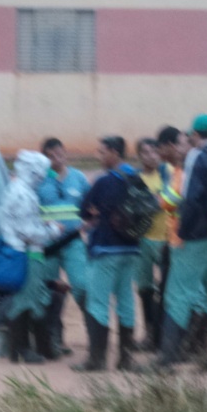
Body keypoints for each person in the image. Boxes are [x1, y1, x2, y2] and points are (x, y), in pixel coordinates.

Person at [156, 114, 207, 373]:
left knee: (178, 293)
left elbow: (186, 197)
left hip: (196, 236)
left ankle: (167, 360)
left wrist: (184, 232)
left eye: (190, 136)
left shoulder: (196, 158)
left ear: (196, 135)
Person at [72, 137, 142, 372]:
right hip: (131, 249)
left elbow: (84, 210)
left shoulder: (104, 182)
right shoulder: (136, 178)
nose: (99, 157)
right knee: (126, 302)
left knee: (98, 303)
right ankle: (126, 359)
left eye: (102, 153)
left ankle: (97, 359)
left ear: (114, 153)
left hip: (106, 250)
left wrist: (96, 213)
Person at [2, 151, 64, 365]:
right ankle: (21, 348)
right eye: (40, 173)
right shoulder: (22, 194)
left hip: (29, 252)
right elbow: (30, 231)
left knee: (32, 299)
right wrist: (53, 231)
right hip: (27, 253)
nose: (42, 178)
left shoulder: (22, 190)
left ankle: (25, 348)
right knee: (25, 302)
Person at [38, 138, 91, 358]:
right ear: (44, 158)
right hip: (48, 245)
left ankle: (93, 333)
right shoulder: (39, 180)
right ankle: (54, 338)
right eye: (51, 155)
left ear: (65, 153)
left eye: (60, 153)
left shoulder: (78, 178)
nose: (57, 158)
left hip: (73, 242)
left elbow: (90, 206)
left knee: (81, 285)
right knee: (49, 291)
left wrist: (87, 224)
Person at [134, 138, 170, 351]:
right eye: (146, 152)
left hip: (166, 239)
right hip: (143, 241)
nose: (151, 156)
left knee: (167, 289)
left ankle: (164, 335)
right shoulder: (136, 178)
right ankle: (150, 334)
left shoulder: (167, 175)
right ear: (140, 156)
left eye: (155, 151)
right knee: (145, 289)